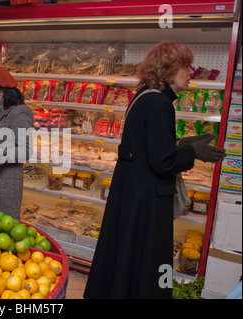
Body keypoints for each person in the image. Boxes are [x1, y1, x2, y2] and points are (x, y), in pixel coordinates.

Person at [83, 41, 226, 299]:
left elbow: (147, 146)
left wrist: (181, 143)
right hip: (147, 202)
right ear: (167, 69)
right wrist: (193, 153)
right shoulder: (160, 104)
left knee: (126, 256)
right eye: (186, 66)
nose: (191, 72)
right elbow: (163, 163)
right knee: (147, 262)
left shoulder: (143, 97)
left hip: (132, 196)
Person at [0, 65, 34, 220]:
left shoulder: (19, 112)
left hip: (6, 182)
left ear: (5, 90)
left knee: (2, 226)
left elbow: (26, 150)